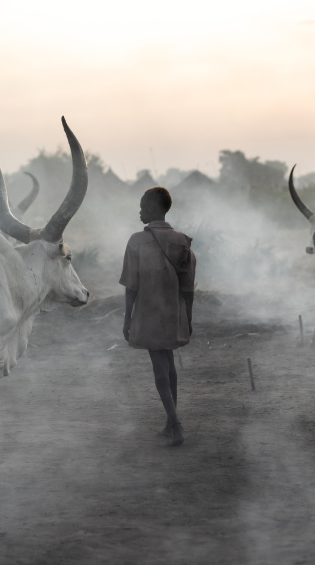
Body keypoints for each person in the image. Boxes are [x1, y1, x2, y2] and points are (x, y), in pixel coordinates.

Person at [119, 186, 196, 446]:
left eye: (142, 206)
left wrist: (127, 319)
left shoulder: (136, 241)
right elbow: (188, 288)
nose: (140, 211)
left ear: (152, 208)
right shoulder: (182, 241)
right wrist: (189, 318)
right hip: (173, 311)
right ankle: (169, 421)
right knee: (169, 363)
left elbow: (132, 286)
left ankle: (175, 423)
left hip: (149, 311)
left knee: (159, 367)